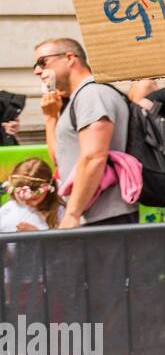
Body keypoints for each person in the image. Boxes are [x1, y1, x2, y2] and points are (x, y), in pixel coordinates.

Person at [33, 38, 135, 228]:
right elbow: (59, 160)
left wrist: (73, 213)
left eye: (42, 62)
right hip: (90, 216)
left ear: (70, 58)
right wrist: (50, 118)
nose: (37, 71)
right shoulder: (78, 99)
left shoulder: (92, 94)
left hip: (107, 217)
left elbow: (94, 156)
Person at [0, 158, 61, 232]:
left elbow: (63, 241)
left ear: (48, 191)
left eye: (34, 199)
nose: (27, 203)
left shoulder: (59, 212)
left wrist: (36, 234)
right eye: (21, 198)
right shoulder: (6, 210)